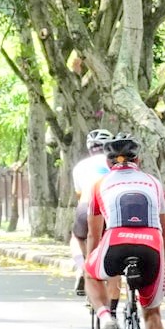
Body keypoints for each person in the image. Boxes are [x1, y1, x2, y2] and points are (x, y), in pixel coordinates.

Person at [85, 134, 165, 329]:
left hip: (116, 243)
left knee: (90, 272)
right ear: (138, 160)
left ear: (108, 163)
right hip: (152, 247)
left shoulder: (99, 184)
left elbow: (94, 234)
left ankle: (106, 317)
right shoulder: (154, 183)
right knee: (152, 313)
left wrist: (92, 259)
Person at [71, 129, 114, 301]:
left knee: (76, 237)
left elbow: (80, 196)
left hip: (87, 207)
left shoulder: (79, 167)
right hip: (113, 209)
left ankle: (83, 267)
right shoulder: (115, 164)